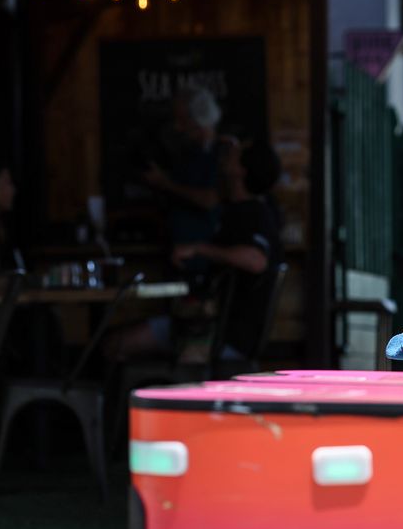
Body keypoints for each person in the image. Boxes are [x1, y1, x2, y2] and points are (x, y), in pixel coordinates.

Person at [107, 135, 282, 363]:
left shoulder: (254, 214)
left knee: (114, 344)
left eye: (235, 154)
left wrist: (199, 248)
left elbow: (256, 260)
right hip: (210, 327)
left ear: (241, 170)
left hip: (218, 336)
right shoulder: (236, 207)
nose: (227, 154)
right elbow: (215, 195)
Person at [144, 86, 223, 249]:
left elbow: (211, 199)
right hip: (180, 251)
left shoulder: (222, 153)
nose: (177, 127)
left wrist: (166, 183)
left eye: (183, 120)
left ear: (200, 119)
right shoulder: (188, 153)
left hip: (206, 254)